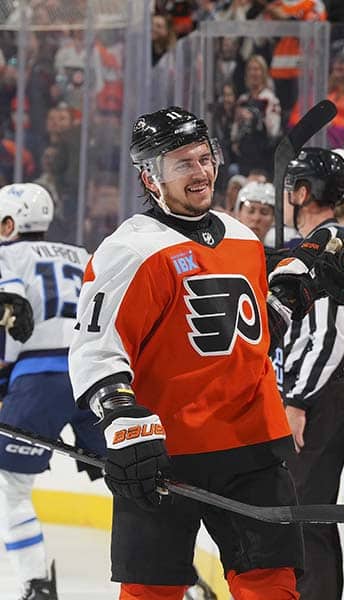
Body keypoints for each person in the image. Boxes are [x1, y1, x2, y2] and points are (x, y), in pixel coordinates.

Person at [67, 106, 304, 600]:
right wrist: (121, 419)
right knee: (152, 588)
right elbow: (97, 346)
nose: (201, 172)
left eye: (205, 158)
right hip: (164, 450)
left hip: (250, 442)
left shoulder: (242, 237)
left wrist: (290, 300)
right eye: (183, 163)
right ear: (150, 177)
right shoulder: (131, 250)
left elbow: (247, 333)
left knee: (271, 583)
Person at [0, 183, 97, 600]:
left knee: (10, 486)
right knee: (130, 481)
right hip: (97, 376)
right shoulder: (85, 255)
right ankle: (177, 577)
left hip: (39, 378)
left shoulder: (6, 255)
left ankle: (37, 585)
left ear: (9, 223)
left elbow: (11, 314)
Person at [278, 147, 344, 600]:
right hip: (318, 391)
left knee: (304, 513)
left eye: (291, 188)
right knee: (305, 512)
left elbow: (329, 336)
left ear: (304, 192)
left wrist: (297, 401)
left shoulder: (325, 248)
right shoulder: (323, 244)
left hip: (320, 395)